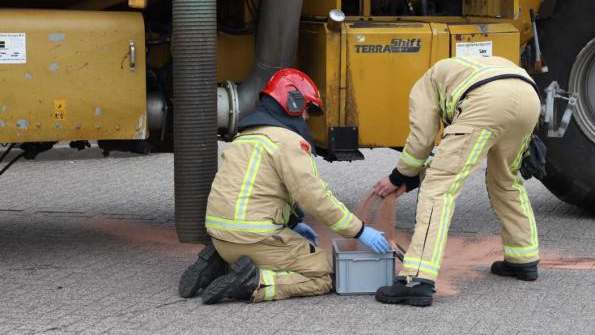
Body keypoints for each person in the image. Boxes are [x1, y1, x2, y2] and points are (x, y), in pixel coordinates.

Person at [178, 68, 390, 304]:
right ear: (293, 103)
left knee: (268, 247)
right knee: (321, 274)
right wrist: (359, 230)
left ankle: (221, 263)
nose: (307, 118)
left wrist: (294, 223)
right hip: (252, 239)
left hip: (220, 237)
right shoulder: (288, 141)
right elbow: (315, 197)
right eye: (307, 110)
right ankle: (253, 282)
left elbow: (261, 190)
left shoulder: (245, 137)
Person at [370, 55, 542, 307]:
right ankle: (523, 258)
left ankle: (416, 279)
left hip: (487, 102)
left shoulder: (426, 83)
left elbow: (421, 140)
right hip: (529, 98)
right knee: (506, 180)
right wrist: (412, 178)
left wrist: (398, 177)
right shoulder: (464, 69)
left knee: (438, 189)